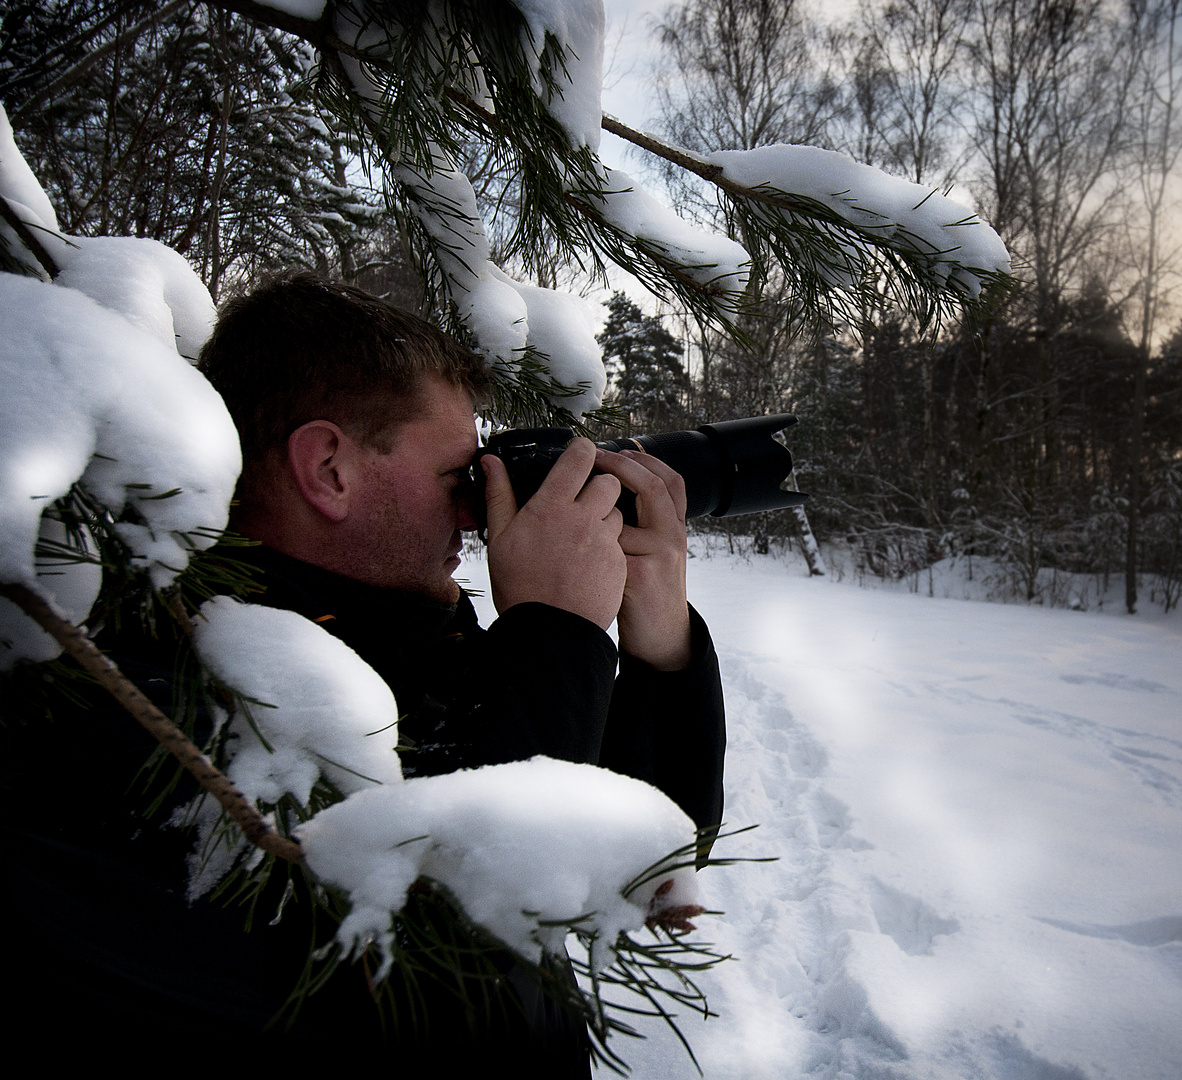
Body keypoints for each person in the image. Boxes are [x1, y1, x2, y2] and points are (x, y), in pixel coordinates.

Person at [0, 275, 726, 1063]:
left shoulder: (414, 637)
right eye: (459, 478)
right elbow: (432, 978)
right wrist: (554, 635)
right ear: (329, 469)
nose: (474, 511)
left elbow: (648, 863)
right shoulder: (141, 706)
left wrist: (660, 650)